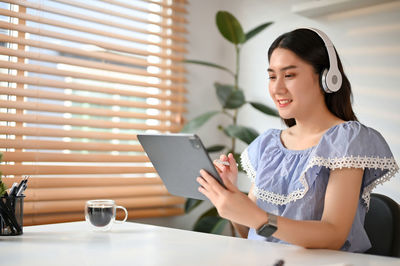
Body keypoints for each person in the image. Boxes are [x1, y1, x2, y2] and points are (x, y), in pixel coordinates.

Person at [196, 28, 399, 252]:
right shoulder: (269, 145)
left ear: (327, 79)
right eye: (272, 76)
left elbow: (333, 235)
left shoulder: (347, 140)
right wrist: (231, 199)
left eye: (289, 75)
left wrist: (258, 217)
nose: (277, 88)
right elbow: (253, 233)